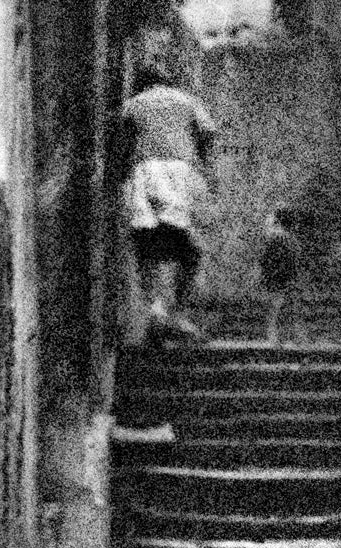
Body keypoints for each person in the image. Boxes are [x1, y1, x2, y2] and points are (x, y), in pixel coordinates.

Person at [119, 62, 217, 348]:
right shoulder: (186, 100)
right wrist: (204, 166)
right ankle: (175, 312)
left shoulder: (134, 102)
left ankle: (156, 308)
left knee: (146, 243)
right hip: (178, 171)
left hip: (145, 171)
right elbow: (207, 134)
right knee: (188, 247)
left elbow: (123, 138)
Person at [259, 205, 300, 343]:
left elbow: (265, 259)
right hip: (286, 279)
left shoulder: (275, 237)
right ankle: (283, 339)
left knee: (274, 311)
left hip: (276, 279)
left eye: (271, 216)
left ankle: (275, 341)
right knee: (282, 310)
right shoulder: (291, 239)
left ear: (277, 219)